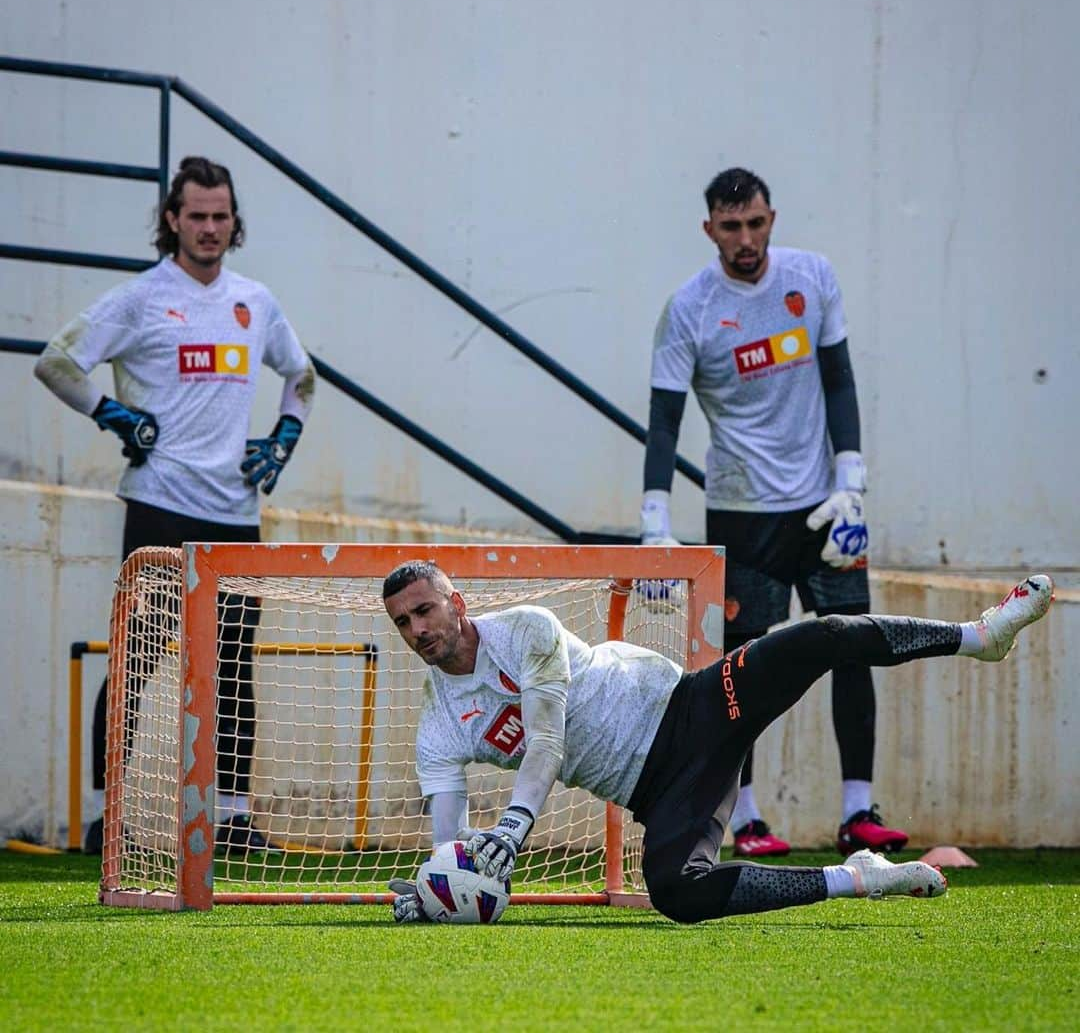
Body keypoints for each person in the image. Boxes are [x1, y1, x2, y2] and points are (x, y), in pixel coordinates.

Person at [382, 561, 1053, 924]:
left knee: (820, 637)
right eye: (403, 621)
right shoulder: (437, 727)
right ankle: (858, 879)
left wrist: (517, 821)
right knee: (677, 893)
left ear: (457, 602)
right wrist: (439, 883)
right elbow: (451, 840)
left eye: (425, 609)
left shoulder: (525, 628)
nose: (417, 629)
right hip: (666, 793)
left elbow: (547, 742)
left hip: (696, 709)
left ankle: (979, 637)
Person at [34, 155, 316, 855]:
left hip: (235, 513)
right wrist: (113, 415)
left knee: (232, 665)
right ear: (172, 220)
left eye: (221, 216)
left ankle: (232, 817)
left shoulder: (257, 301)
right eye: (197, 216)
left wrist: (281, 440)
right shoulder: (139, 298)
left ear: (234, 221)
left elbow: (302, 377)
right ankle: (108, 814)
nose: (210, 228)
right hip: (159, 506)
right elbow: (57, 362)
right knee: (138, 657)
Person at [640, 165, 897, 858]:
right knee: (742, 672)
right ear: (709, 231)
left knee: (856, 644)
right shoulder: (690, 307)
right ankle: (744, 818)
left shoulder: (812, 278)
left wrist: (852, 481)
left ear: (772, 220)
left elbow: (838, 378)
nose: (746, 239)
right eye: (731, 228)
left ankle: (858, 811)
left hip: (825, 508)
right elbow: (665, 421)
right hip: (742, 512)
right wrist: (655, 525)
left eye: (755, 224)